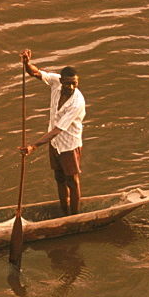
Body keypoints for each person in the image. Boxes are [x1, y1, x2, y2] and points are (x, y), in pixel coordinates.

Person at [18, 49, 86, 215]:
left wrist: (33, 146)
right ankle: (64, 212)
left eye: (74, 83)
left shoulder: (77, 103)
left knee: (72, 181)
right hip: (54, 144)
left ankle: (74, 217)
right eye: (68, 83)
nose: (71, 87)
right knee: (59, 179)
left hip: (69, 145)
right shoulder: (55, 82)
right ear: (61, 80)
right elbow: (35, 73)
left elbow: (57, 130)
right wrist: (26, 64)